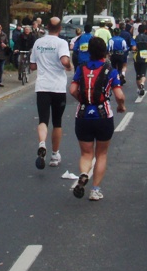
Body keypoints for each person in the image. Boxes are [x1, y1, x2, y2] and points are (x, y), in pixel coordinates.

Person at [69, 37, 126, 201]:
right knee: (101, 153)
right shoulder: (110, 70)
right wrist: (121, 106)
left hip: (82, 115)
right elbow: (119, 95)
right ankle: (95, 190)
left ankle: (84, 173)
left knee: (86, 154)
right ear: (105, 51)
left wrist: (82, 100)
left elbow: (72, 89)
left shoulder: (82, 68)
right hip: (103, 115)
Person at [30, 17, 72, 169]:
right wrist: (69, 66)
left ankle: (42, 144)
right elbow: (65, 61)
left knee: (43, 119)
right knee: (57, 122)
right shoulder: (62, 43)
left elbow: (33, 65)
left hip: (42, 86)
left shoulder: (38, 42)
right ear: (60, 28)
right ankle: (55, 154)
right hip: (58, 87)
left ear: (47, 27)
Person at [133, 26, 147, 97]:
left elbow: (133, 48)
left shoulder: (134, 37)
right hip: (146, 55)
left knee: (138, 74)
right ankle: (142, 83)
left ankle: (139, 88)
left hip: (137, 56)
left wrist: (136, 49)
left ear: (138, 30)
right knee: (143, 72)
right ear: (145, 30)